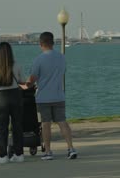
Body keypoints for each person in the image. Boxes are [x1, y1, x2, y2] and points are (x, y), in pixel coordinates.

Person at [26, 32, 77, 160]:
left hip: (43, 97)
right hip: (59, 95)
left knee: (45, 124)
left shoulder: (39, 59)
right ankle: (71, 148)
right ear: (53, 42)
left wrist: (23, 84)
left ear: (41, 43)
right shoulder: (61, 57)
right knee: (62, 122)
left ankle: (48, 151)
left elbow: (31, 80)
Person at [0, 42, 25, 164]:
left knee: (2, 128)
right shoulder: (17, 65)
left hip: (2, 98)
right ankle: (19, 154)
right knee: (17, 126)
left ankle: (3, 156)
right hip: (15, 96)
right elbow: (22, 81)